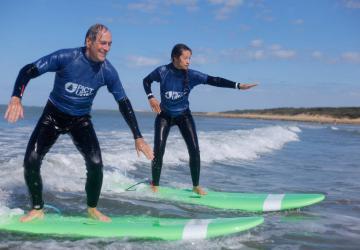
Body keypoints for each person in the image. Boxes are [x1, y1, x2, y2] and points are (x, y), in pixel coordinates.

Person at [4, 24, 154, 223]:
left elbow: (123, 102)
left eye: (109, 44)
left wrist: (138, 136)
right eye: (102, 43)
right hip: (53, 116)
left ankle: (92, 209)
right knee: (31, 161)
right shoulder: (67, 57)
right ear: (89, 42)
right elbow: (29, 70)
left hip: (80, 120)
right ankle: (37, 208)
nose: (107, 48)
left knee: (95, 164)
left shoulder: (108, 71)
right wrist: (16, 97)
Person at [143, 43, 257, 195]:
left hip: (184, 115)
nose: (188, 61)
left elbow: (214, 80)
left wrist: (238, 85)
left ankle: (196, 186)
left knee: (195, 150)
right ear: (175, 58)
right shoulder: (162, 71)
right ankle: (155, 184)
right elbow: (146, 81)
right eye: (185, 58)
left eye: (189, 58)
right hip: (164, 116)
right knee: (159, 150)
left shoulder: (192, 75)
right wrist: (150, 97)